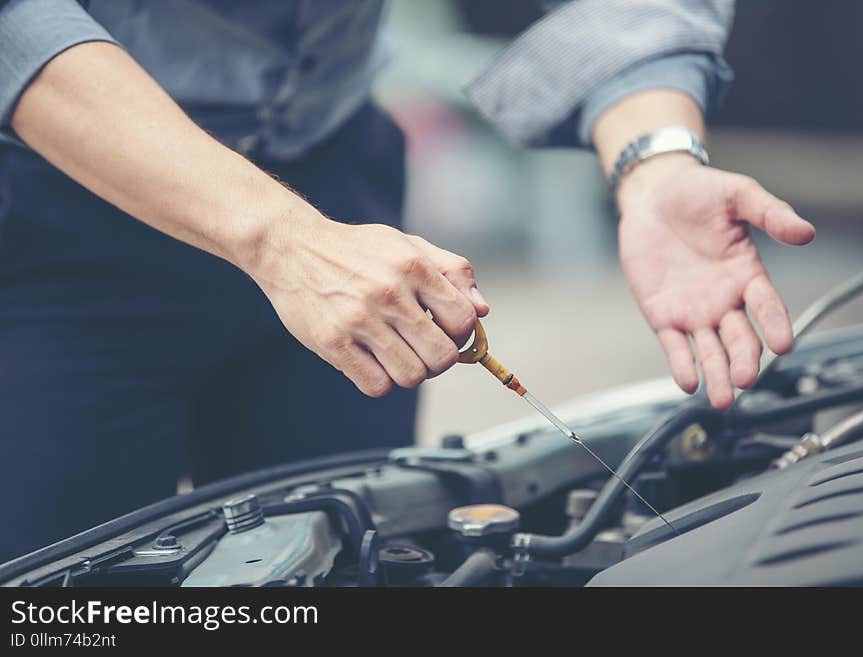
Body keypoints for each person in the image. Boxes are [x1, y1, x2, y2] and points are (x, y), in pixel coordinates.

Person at [0, 0, 813, 561]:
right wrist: (284, 240)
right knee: (71, 604)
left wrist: (653, 159)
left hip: (333, 168)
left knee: (344, 560)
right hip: (52, 212)